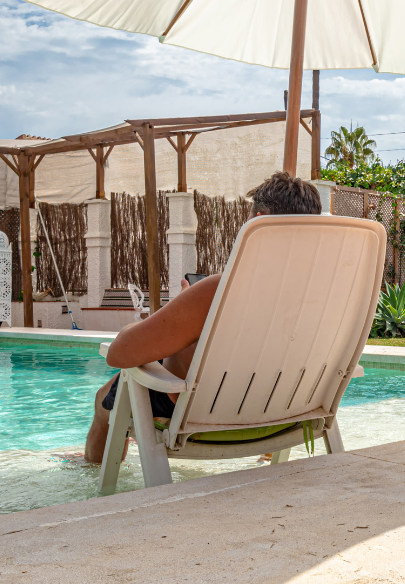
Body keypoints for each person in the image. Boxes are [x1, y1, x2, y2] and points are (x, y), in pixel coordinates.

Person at [84, 172, 322, 464]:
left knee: (104, 397)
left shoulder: (218, 291)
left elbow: (120, 354)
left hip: (205, 414)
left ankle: (93, 472)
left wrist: (181, 308)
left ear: (259, 220)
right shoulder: (324, 293)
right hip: (285, 413)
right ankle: (268, 455)